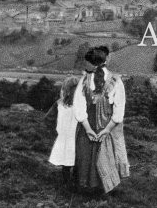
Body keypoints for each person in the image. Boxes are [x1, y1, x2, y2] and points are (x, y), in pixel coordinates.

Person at [73, 46, 129, 193]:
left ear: (91, 62)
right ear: (106, 60)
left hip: (87, 126)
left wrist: (88, 129)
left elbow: (78, 108)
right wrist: (106, 130)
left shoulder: (84, 81)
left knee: (86, 155)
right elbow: (118, 111)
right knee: (107, 155)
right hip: (107, 125)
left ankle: (86, 188)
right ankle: (104, 189)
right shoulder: (116, 81)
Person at [48, 76, 79, 186]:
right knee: (75, 161)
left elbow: (48, 118)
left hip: (65, 137)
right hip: (75, 137)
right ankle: (73, 184)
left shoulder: (59, 103)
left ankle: (68, 184)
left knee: (67, 162)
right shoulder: (81, 104)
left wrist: (56, 130)